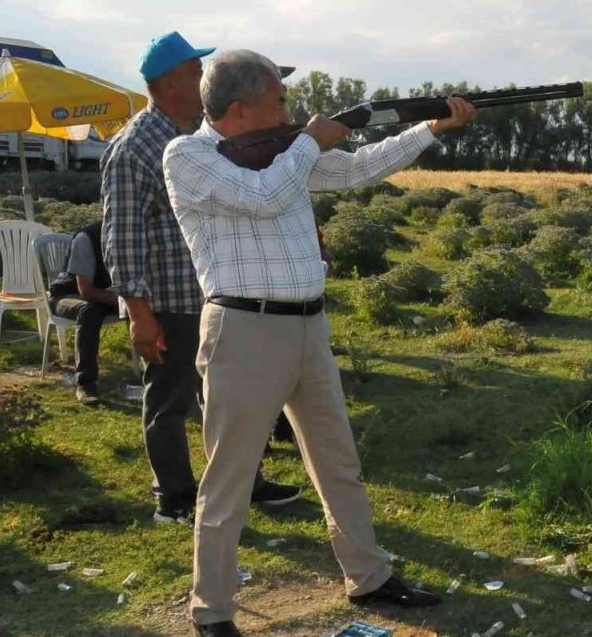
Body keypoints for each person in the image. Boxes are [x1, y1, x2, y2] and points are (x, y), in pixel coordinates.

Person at [163, 49, 476, 636]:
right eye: (279, 99)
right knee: (229, 479)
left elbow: (357, 171)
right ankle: (212, 612)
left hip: (308, 325)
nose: (290, 109)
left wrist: (430, 128)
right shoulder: (188, 155)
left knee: (338, 462)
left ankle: (369, 576)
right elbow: (261, 197)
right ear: (239, 109)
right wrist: (310, 140)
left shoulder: (283, 151)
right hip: (244, 330)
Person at [101, 31, 302, 526]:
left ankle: (246, 483)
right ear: (172, 83)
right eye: (196, 72)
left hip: (216, 296)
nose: (204, 79)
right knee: (169, 402)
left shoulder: (196, 137)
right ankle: (173, 497)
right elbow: (121, 235)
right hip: (170, 300)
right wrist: (140, 316)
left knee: (230, 400)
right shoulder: (133, 146)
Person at [47, 222, 115, 405]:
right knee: (89, 311)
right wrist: (125, 301)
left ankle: (165, 374)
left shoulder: (133, 236)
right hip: (67, 295)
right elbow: (86, 291)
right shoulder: (86, 239)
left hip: (106, 293)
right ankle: (86, 384)